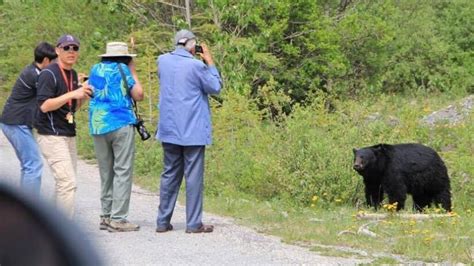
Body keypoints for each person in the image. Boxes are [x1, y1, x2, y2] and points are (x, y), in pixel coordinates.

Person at [155, 29, 222, 233]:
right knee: (193, 177)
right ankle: (193, 223)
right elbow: (216, 87)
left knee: (169, 175)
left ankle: (162, 222)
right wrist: (209, 61)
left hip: (169, 128)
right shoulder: (196, 65)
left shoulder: (162, 61)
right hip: (192, 130)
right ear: (193, 47)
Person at [88, 42, 144, 232]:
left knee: (106, 171)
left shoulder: (95, 69)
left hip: (98, 124)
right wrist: (133, 72)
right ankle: (119, 218)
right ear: (126, 58)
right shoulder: (123, 69)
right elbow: (139, 94)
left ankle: (105, 215)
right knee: (122, 169)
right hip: (120, 122)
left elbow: (91, 91)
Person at [35, 34, 92, 218]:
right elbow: (44, 106)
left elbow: (71, 107)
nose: (71, 52)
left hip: (68, 132)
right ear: (57, 50)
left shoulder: (73, 74)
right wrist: (73, 94)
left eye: (75, 48)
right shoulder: (48, 73)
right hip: (51, 135)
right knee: (67, 183)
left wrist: (83, 97)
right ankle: (64, 235)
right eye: (66, 48)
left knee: (64, 183)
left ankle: (49, 225)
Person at [0, 42, 57, 196]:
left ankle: (24, 203)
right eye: (54, 62)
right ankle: (29, 209)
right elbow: (51, 94)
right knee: (33, 164)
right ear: (46, 60)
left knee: (29, 164)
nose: (56, 65)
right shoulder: (34, 75)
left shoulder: (35, 71)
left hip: (14, 123)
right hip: (15, 123)